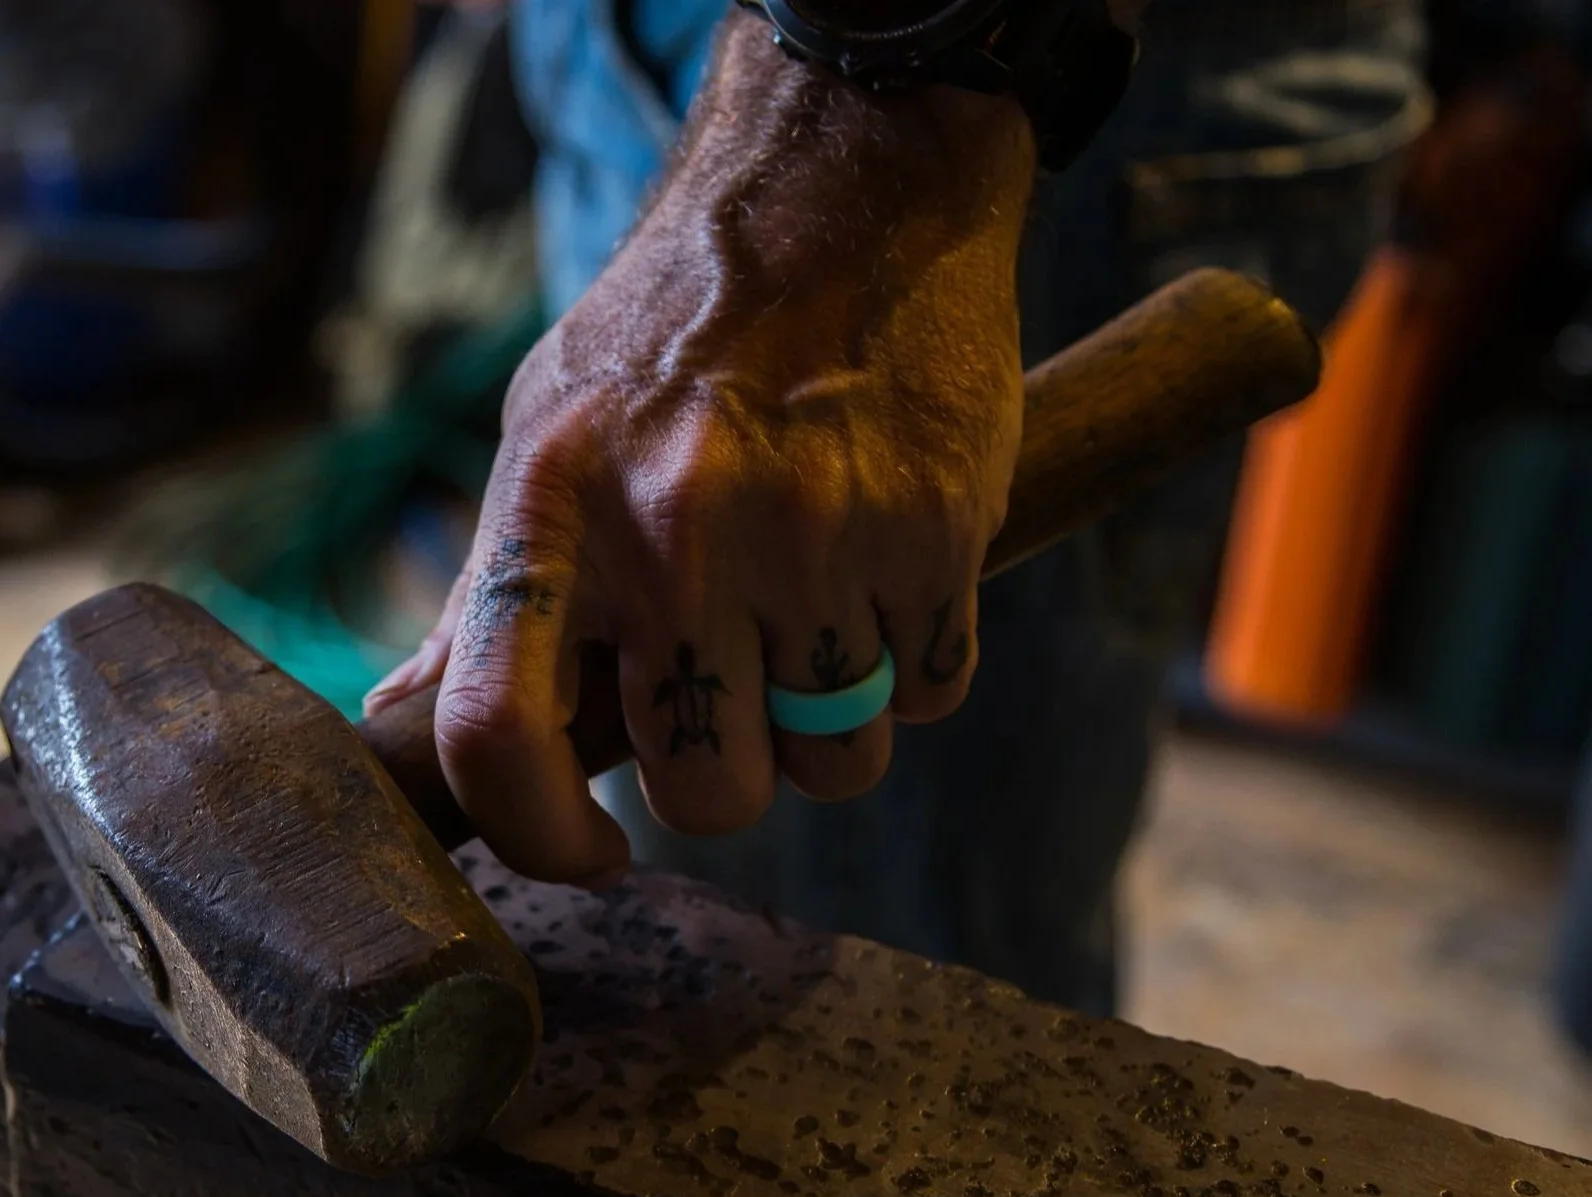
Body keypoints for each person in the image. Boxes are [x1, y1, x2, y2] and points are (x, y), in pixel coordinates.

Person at [365, 0, 1429, 1014]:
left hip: (932, 109)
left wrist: (851, 120)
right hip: (693, 65)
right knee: (690, 876)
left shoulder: (867, 116)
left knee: (878, 984)